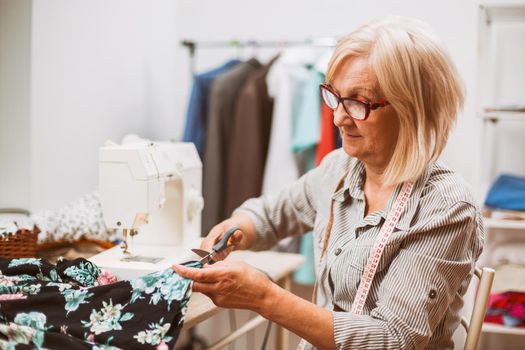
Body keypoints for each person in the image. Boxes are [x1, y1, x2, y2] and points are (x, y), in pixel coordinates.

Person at [173, 16, 484, 350]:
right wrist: (238, 227)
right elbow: (274, 212)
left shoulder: (446, 206)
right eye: (335, 96)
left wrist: (265, 298)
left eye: (358, 102)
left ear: (412, 110)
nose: (337, 117)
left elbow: (394, 339)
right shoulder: (340, 169)